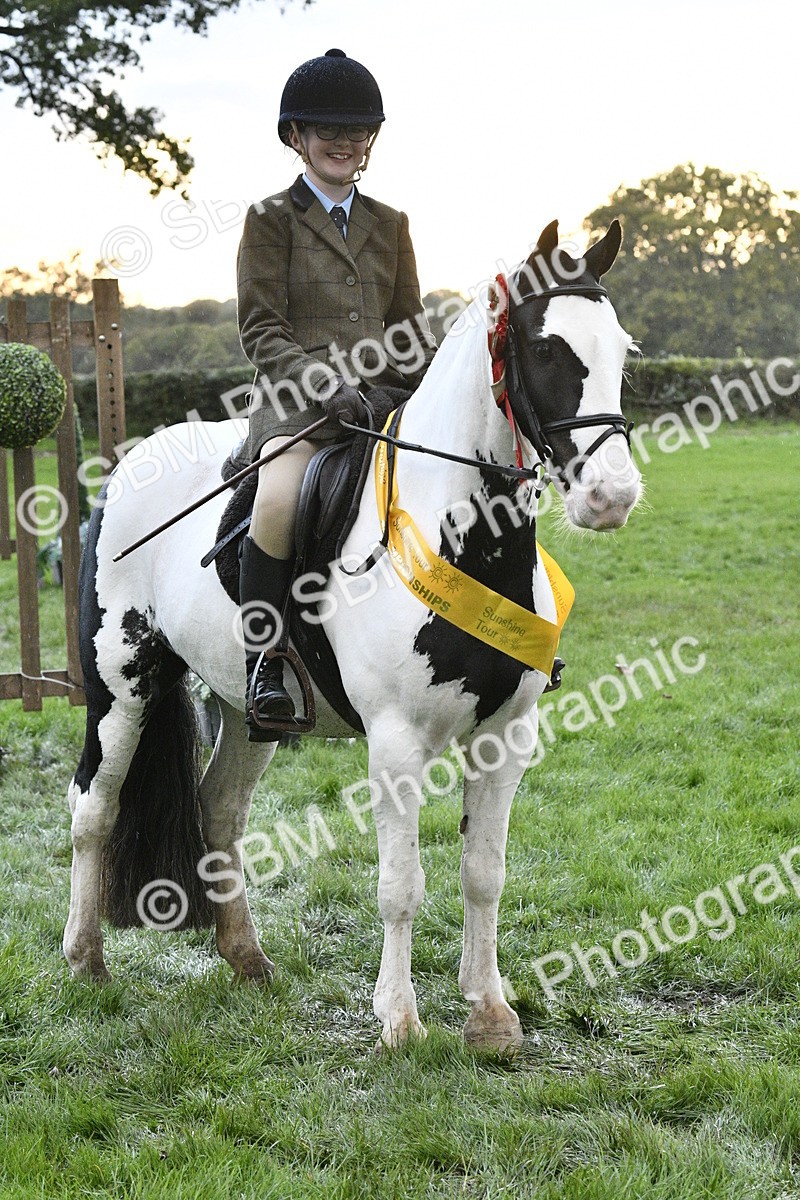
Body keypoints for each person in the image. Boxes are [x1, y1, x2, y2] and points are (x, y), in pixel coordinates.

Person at [236, 48, 437, 740]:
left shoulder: (392, 223)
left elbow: (408, 330)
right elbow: (261, 328)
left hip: (381, 405)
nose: (344, 142)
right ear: (297, 136)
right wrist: (325, 386)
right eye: (327, 130)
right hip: (299, 406)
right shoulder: (270, 220)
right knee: (279, 498)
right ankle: (265, 659)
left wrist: (426, 388)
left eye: (356, 131)